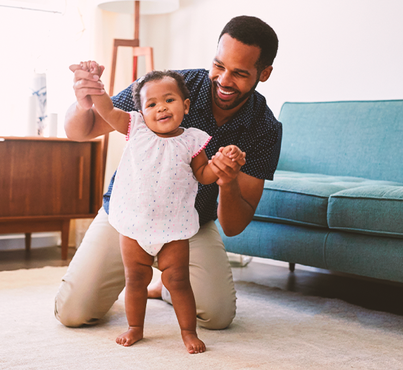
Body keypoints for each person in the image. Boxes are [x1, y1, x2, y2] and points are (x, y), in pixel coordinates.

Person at [55, 15, 281, 334]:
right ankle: (143, 277)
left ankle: (165, 286)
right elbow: (82, 130)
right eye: (219, 65)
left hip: (187, 225)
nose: (224, 80)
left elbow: (233, 225)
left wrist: (227, 181)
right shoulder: (169, 87)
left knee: (217, 316)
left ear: (265, 73)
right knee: (73, 313)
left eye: (240, 73)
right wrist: (83, 103)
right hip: (128, 217)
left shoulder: (265, 129)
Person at [71, 62, 245, 353]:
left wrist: (220, 165)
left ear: (186, 105)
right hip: (133, 224)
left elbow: (203, 176)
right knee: (135, 280)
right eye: (151, 104)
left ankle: (188, 332)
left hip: (173, 228)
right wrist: (95, 87)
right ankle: (135, 327)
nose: (161, 108)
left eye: (169, 100)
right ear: (141, 112)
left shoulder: (193, 140)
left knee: (179, 281)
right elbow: (107, 110)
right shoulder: (135, 126)